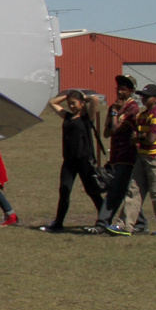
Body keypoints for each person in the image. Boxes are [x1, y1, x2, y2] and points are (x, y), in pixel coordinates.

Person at [112, 84, 156, 236]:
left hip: (154, 158)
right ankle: (124, 226)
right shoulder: (142, 116)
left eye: (147, 96)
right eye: (142, 95)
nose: (143, 98)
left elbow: (151, 139)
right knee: (133, 191)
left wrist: (137, 137)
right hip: (142, 157)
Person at [38, 90, 108, 233]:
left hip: (85, 159)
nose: (71, 106)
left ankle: (105, 220)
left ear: (82, 104)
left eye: (74, 103)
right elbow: (52, 102)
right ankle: (58, 223)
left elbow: (94, 100)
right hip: (69, 161)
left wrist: (83, 97)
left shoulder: (87, 118)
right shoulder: (67, 116)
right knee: (64, 190)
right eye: (69, 103)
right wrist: (68, 95)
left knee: (92, 191)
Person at [100, 75, 144, 234]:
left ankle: (102, 222)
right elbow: (106, 132)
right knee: (125, 189)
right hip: (116, 155)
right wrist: (112, 113)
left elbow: (117, 129)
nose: (119, 91)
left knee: (118, 188)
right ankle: (140, 222)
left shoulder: (132, 108)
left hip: (128, 155)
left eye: (124, 89)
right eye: (118, 88)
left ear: (131, 91)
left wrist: (113, 113)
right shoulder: (116, 107)